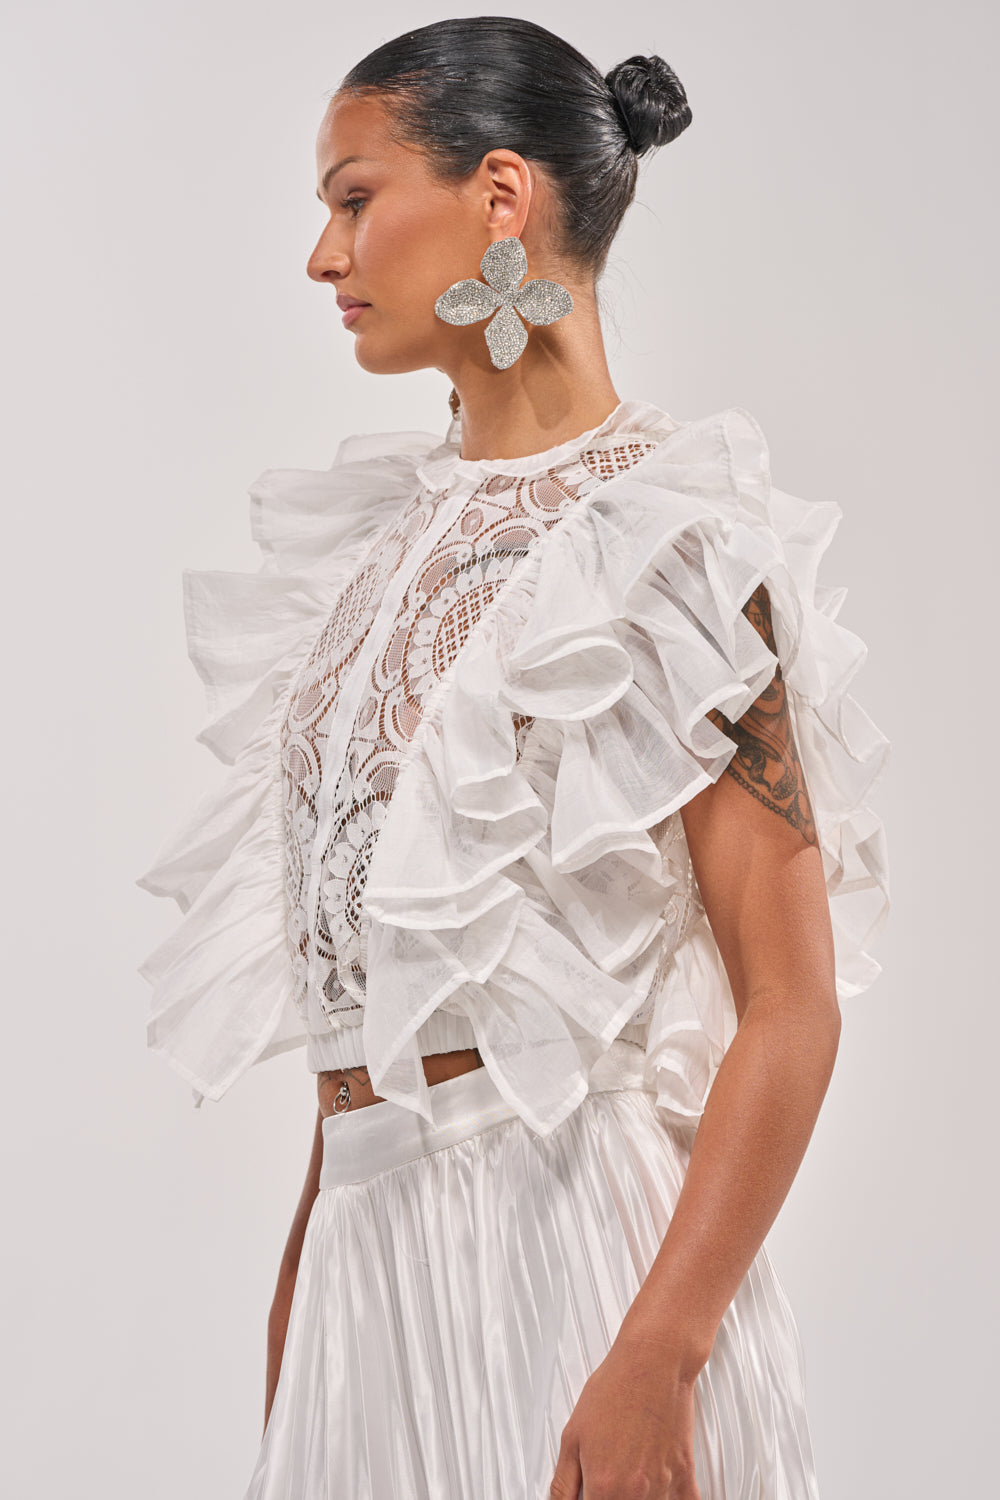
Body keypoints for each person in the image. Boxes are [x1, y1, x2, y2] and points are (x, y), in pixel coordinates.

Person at [136, 17, 890, 1500]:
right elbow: (366, 981)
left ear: (499, 198)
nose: (322, 255)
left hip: (577, 1263)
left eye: (353, 199)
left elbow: (791, 1007)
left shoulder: (675, 549)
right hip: (367, 1273)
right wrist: (301, 1345)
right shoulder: (360, 558)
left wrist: (658, 1355)